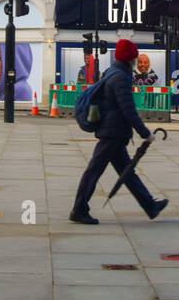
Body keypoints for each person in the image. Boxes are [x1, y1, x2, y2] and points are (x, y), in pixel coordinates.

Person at [70, 39, 169, 225]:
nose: (136, 60)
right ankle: (79, 209)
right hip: (112, 133)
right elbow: (128, 110)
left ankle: (150, 205)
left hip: (113, 132)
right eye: (134, 57)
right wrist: (145, 133)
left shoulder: (112, 72)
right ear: (130, 58)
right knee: (94, 171)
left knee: (127, 172)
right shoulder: (121, 78)